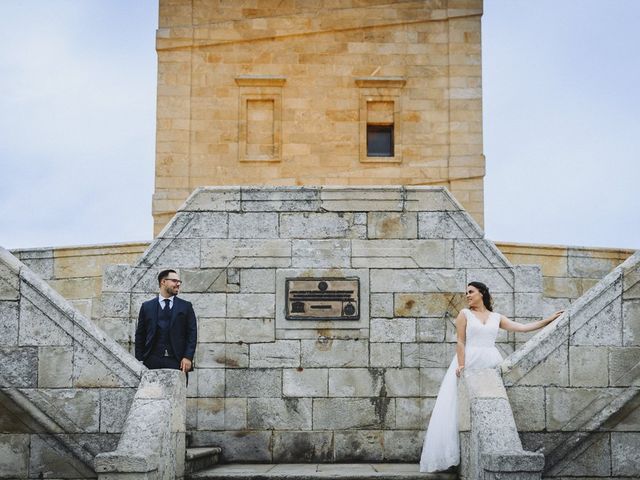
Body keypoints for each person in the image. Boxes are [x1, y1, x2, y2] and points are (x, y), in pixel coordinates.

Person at [419, 281, 563, 473]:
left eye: (471, 292)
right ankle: (450, 455)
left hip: (490, 360)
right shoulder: (465, 314)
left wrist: (548, 320)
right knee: (455, 406)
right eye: (466, 293)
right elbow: (460, 341)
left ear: (482, 293)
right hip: (469, 360)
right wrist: (461, 365)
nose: (467, 295)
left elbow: (522, 327)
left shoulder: (496, 317)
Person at [135, 269, 197, 373]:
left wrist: (188, 357)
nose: (178, 284)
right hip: (151, 361)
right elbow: (140, 335)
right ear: (163, 282)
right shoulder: (147, 306)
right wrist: (139, 360)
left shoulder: (186, 306)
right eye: (174, 281)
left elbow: (192, 334)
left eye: (179, 281)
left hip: (178, 361)